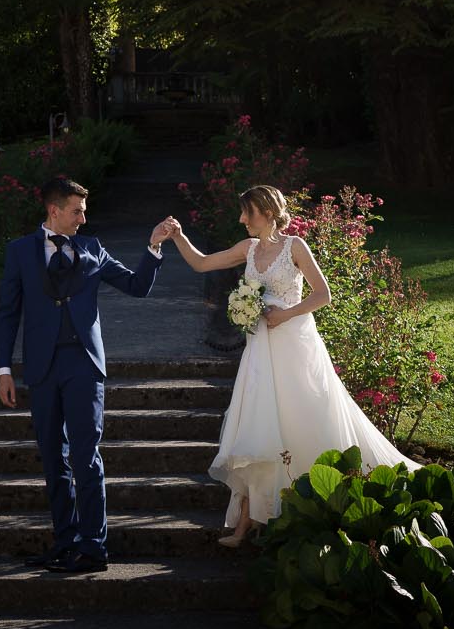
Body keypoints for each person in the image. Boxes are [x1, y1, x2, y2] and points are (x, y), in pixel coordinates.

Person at [162, 183, 413, 547]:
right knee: (258, 428)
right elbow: (202, 263)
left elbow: (322, 294)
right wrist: (179, 236)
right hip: (259, 352)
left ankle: (320, 508)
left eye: (246, 212)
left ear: (265, 212)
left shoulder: (295, 246)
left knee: (303, 420)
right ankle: (246, 526)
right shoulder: (247, 249)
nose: (241, 219)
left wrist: (286, 314)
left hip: (294, 346)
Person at [0, 176, 179, 574]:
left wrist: (154, 245)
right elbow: (8, 313)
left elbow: (137, 286)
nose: (83, 217)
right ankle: (65, 542)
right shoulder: (20, 252)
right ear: (54, 210)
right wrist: (4, 369)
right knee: (52, 458)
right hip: (41, 368)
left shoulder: (93, 248)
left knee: (84, 455)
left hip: (83, 365)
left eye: (84, 210)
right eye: (77, 210)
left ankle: (93, 547)